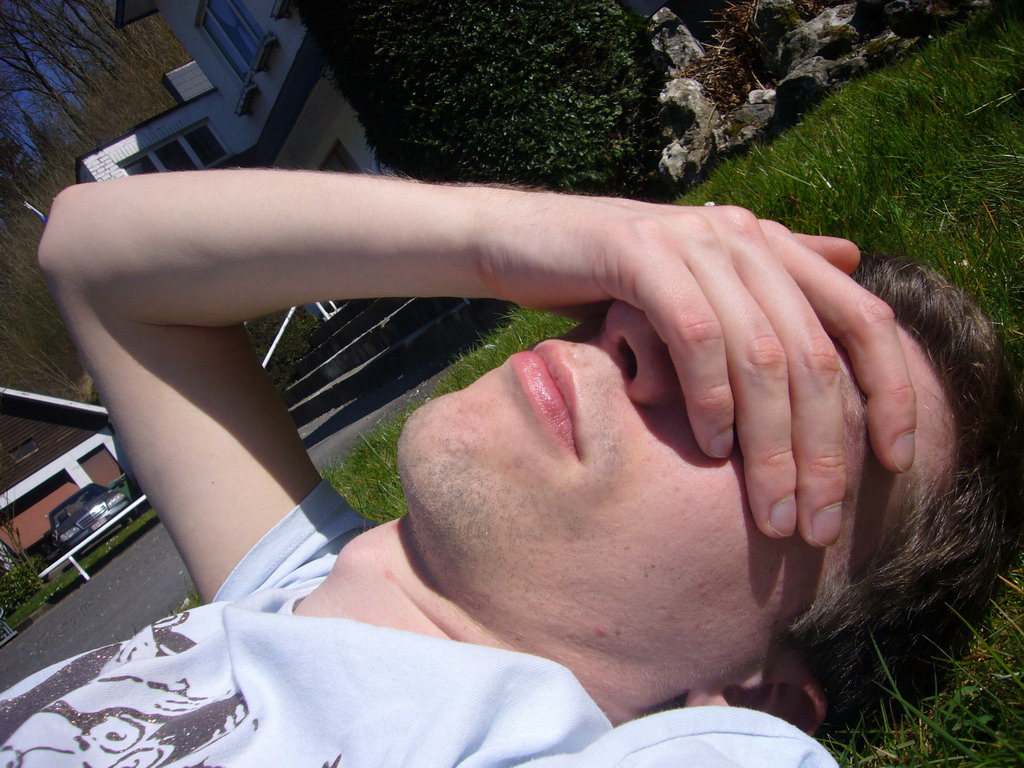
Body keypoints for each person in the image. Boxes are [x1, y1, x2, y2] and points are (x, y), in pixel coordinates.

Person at [0, 170, 1019, 767]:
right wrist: (523, 236)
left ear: (759, 698)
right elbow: (92, 255)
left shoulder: (681, 751)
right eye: (681, 308)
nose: (643, 334)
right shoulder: (281, 599)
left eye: (770, 405)